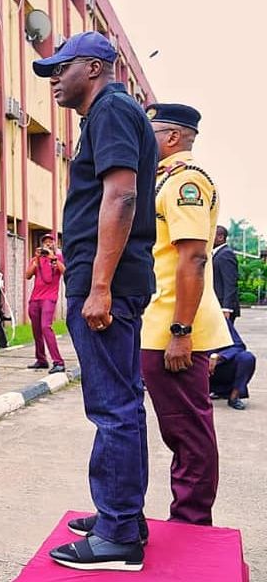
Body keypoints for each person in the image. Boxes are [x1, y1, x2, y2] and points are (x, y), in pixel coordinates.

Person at [34, 32, 158, 571]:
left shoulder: (110, 109)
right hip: (111, 278)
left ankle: (117, 536)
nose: (54, 79)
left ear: (93, 66)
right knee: (124, 401)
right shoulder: (108, 114)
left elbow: (122, 195)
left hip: (106, 281)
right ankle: (124, 517)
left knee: (112, 405)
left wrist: (99, 285)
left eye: (61, 69)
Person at [141, 103, 231, 527]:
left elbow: (193, 258)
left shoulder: (186, 182)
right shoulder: (161, 179)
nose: (145, 136)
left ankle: (192, 521)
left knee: (188, 432)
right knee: (176, 429)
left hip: (173, 326)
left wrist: (181, 331)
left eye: (151, 129)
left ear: (173, 137)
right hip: (156, 320)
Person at [25, 234, 66, 374]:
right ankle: (41, 359)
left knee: (45, 327)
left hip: (49, 298)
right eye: (45, 243)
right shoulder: (36, 259)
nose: (48, 245)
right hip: (35, 298)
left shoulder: (58, 259)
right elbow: (27, 275)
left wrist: (52, 257)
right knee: (36, 330)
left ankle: (58, 361)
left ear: (54, 244)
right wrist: (36, 261)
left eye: (50, 242)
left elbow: (65, 272)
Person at [210, 319, 255, 410]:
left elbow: (238, 345)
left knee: (247, 358)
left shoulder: (219, 320)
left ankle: (234, 397)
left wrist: (219, 356)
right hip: (197, 368)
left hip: (219, 366)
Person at [212, 226, 240, 322]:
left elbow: (230, 282)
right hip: (217, 305)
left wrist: (226, 308)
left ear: (220, 237)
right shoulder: (217, 254)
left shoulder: (225, 254)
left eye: (211, 234)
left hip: (223, 307)